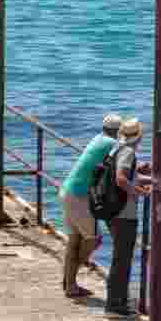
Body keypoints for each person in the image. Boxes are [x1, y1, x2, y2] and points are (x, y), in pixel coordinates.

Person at [60, 114, 121, 298]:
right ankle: (70, 280)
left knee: (75, 240)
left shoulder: (97, 138)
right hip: (79, 196)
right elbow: (119, 171)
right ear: (118, 131)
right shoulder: (112, 144)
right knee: (94, 239)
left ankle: (69, 283)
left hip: (67, 190)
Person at [104, 117, 154, 316]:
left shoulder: (116, 148)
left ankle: (116, 301)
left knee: (119, 257)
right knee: (122, 259)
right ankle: (116, 304)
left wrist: (138, 172)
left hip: (114, 211)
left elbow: (124, 174)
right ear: (138, 136)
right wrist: (139, 192)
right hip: (124, 213)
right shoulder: (128, 151)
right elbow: (120, 179)